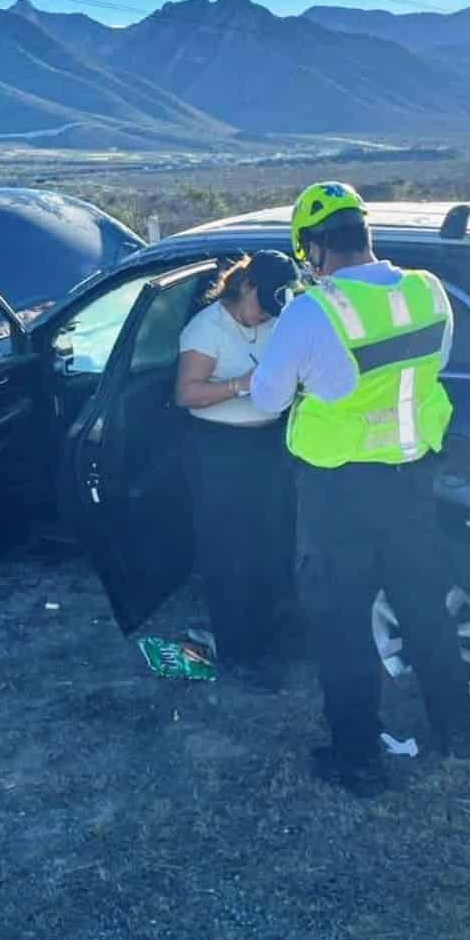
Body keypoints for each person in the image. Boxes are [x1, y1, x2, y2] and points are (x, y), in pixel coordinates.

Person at [250, 182, 470, 795]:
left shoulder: (310, 311)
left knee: (342, 625)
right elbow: (433, 366)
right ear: (365, 233)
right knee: (425, 610)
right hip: (412, 480)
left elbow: (267, 399)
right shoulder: (427, 290)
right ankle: (459, 733)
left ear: (313, 248)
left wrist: (305, 378)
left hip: (338, 492)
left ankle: (356, 758)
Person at [173, 250, 301, 686]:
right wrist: (241, 384)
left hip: (269, 443)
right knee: (230, 552)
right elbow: (186, 393)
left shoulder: (276, 318)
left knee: (270, 542)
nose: (265, 316)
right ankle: (238, 652)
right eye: (261, 305)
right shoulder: (206, 329)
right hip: (219, 450)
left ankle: (267, 633)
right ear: (245, 286)